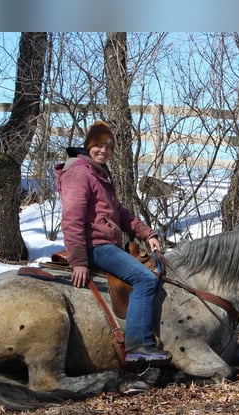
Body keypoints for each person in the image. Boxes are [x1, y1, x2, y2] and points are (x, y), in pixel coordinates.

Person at [55, 120, 172, 367]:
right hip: (94, 245)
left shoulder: (98, 173)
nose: (103, 151)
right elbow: (72, 220)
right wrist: (79, 261)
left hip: (106, 243)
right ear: (88, 145)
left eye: (108, 148)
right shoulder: (79, 173)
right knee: (145, 278)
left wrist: (147, 234)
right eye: (98, 145)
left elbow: (119, 213)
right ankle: (138, 346)